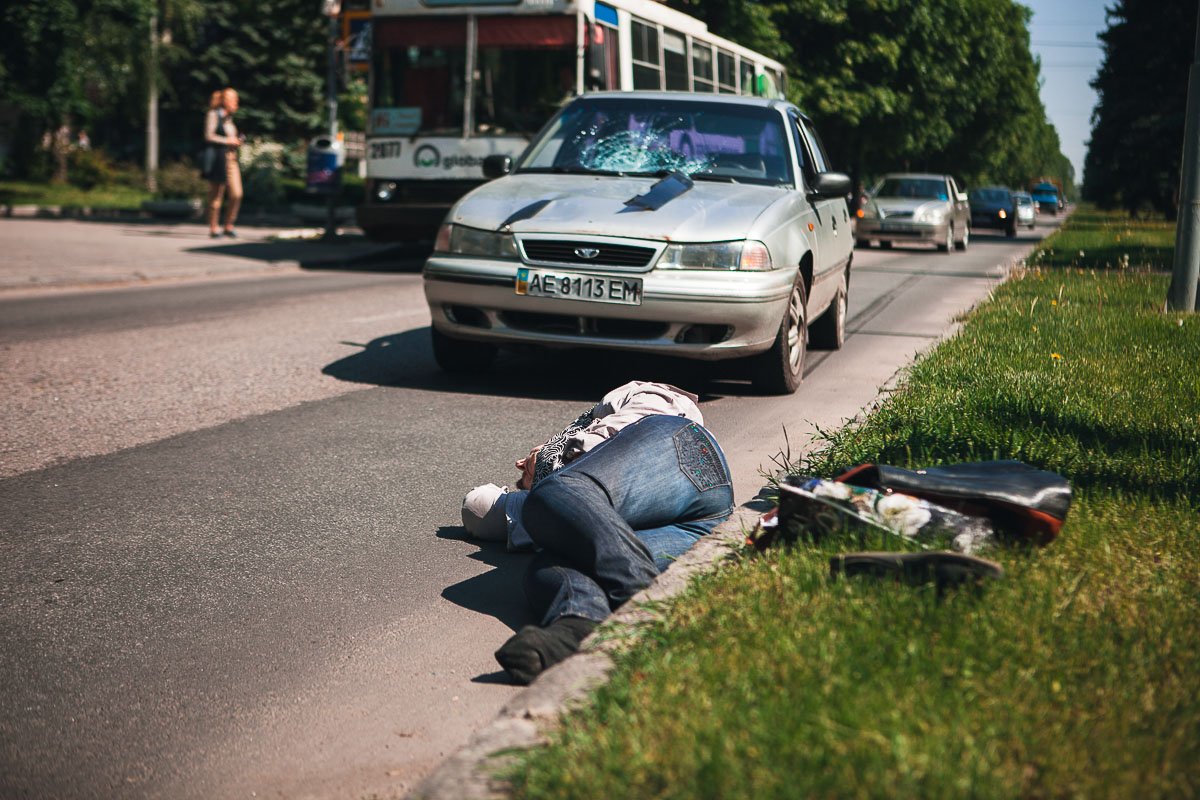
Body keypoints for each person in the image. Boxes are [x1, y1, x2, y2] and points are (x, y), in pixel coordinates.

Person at [460, 381, 734, 685]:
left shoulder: (630, 397)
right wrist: (536, 479)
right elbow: (477, 509)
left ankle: (642, 605)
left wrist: (548, 465)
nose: (520, 468)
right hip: (695, 529)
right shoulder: (552, 501)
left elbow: (664, 407)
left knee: (553, 496)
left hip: (681, 452)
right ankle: (578, 625)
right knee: (548, 565)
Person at [203, 88, 244, 239]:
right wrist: (228, 140)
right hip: (218, 160)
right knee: (216, 196)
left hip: (232, 159)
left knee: (237, 194)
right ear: (227, 102)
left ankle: (228, 224)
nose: (237, 105)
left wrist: (237, 141)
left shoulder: (229, 119)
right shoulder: (213, 115)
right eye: (235, 101)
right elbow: (209, 136)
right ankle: (214, 228)